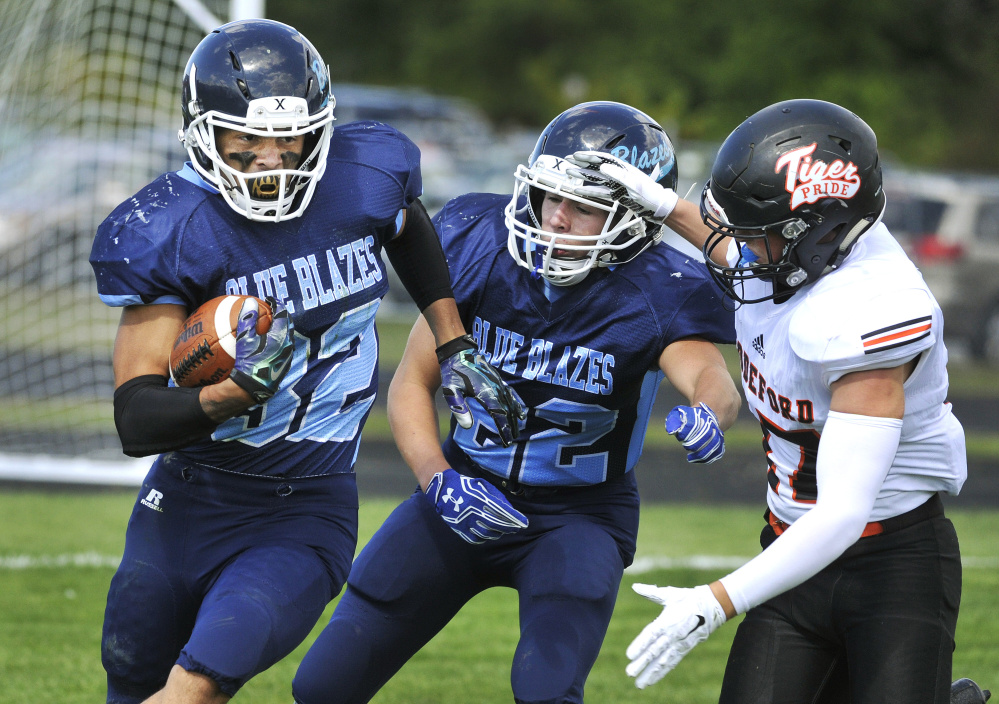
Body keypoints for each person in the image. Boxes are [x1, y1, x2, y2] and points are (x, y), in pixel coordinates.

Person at [88, 19, 523, 704]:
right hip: (185, 500)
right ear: (203, 132)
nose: (271, 157)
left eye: (287, 136)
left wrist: (453, 339)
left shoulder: (364, 173)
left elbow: (406, 225)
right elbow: (136, 420)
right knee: (131, 679)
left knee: (193, 688)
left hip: (304, 509)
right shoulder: (165, 229)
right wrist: (231, 395)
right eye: (246, 138)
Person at [291, 101, 742, 704]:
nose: (555, 218)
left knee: (546, 692)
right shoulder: (482, 244)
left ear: (633, 219)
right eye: (549, 196)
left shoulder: (658, 287)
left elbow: (712, 377)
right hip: (461, 488)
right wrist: (438, 482)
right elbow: (410, 384)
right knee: (321, 687)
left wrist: (708, 413)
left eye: (582, 206)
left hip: (578, 517)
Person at [577, 99, 967, 702]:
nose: (742, 250)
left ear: (814, 235)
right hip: (788, 546)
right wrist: (660, 205)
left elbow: (842, 514)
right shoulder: (803, 257)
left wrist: (716, 600)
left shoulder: (875, 308)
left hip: (892, 564)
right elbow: (740, 252)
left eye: (758, 237)